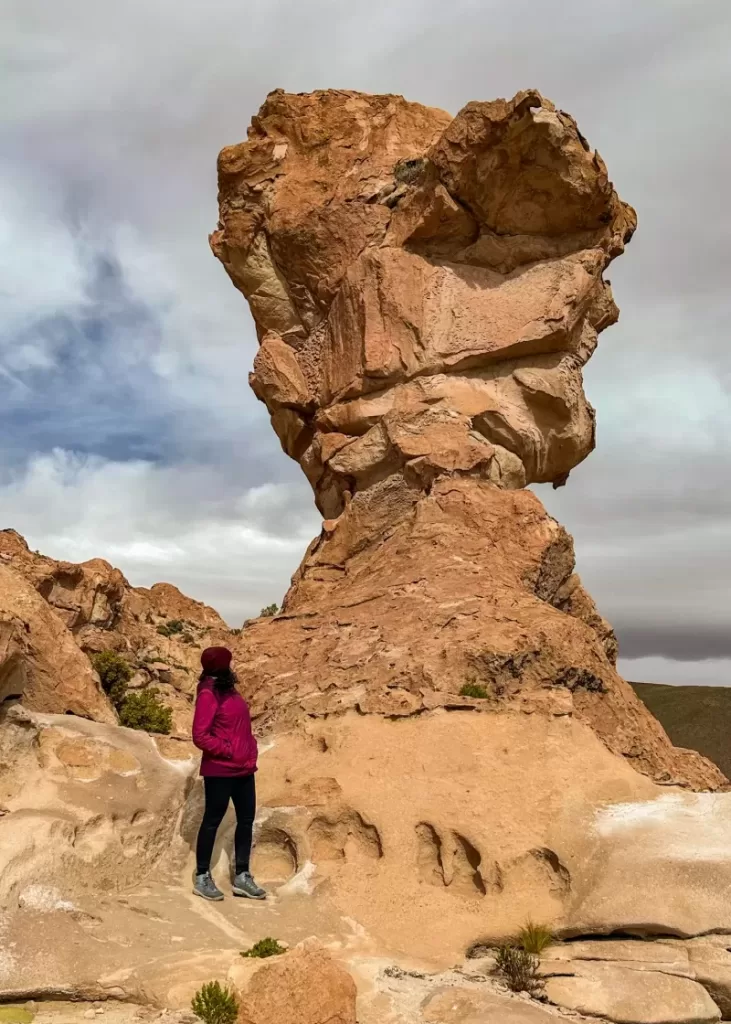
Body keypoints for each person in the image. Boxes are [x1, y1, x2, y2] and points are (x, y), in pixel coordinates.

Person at [191, 646, 266, 901]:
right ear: (220, 666)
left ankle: (242, 877)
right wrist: (227, 750)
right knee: (212, 821)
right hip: (221, 770)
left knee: (246, 820)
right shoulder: (209, 694)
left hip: (244, 768)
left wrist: (250, 749)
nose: (231, 666)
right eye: (228, 663)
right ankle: (202, 876)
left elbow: (240, 726)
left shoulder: (228, 689)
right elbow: (199, 735)